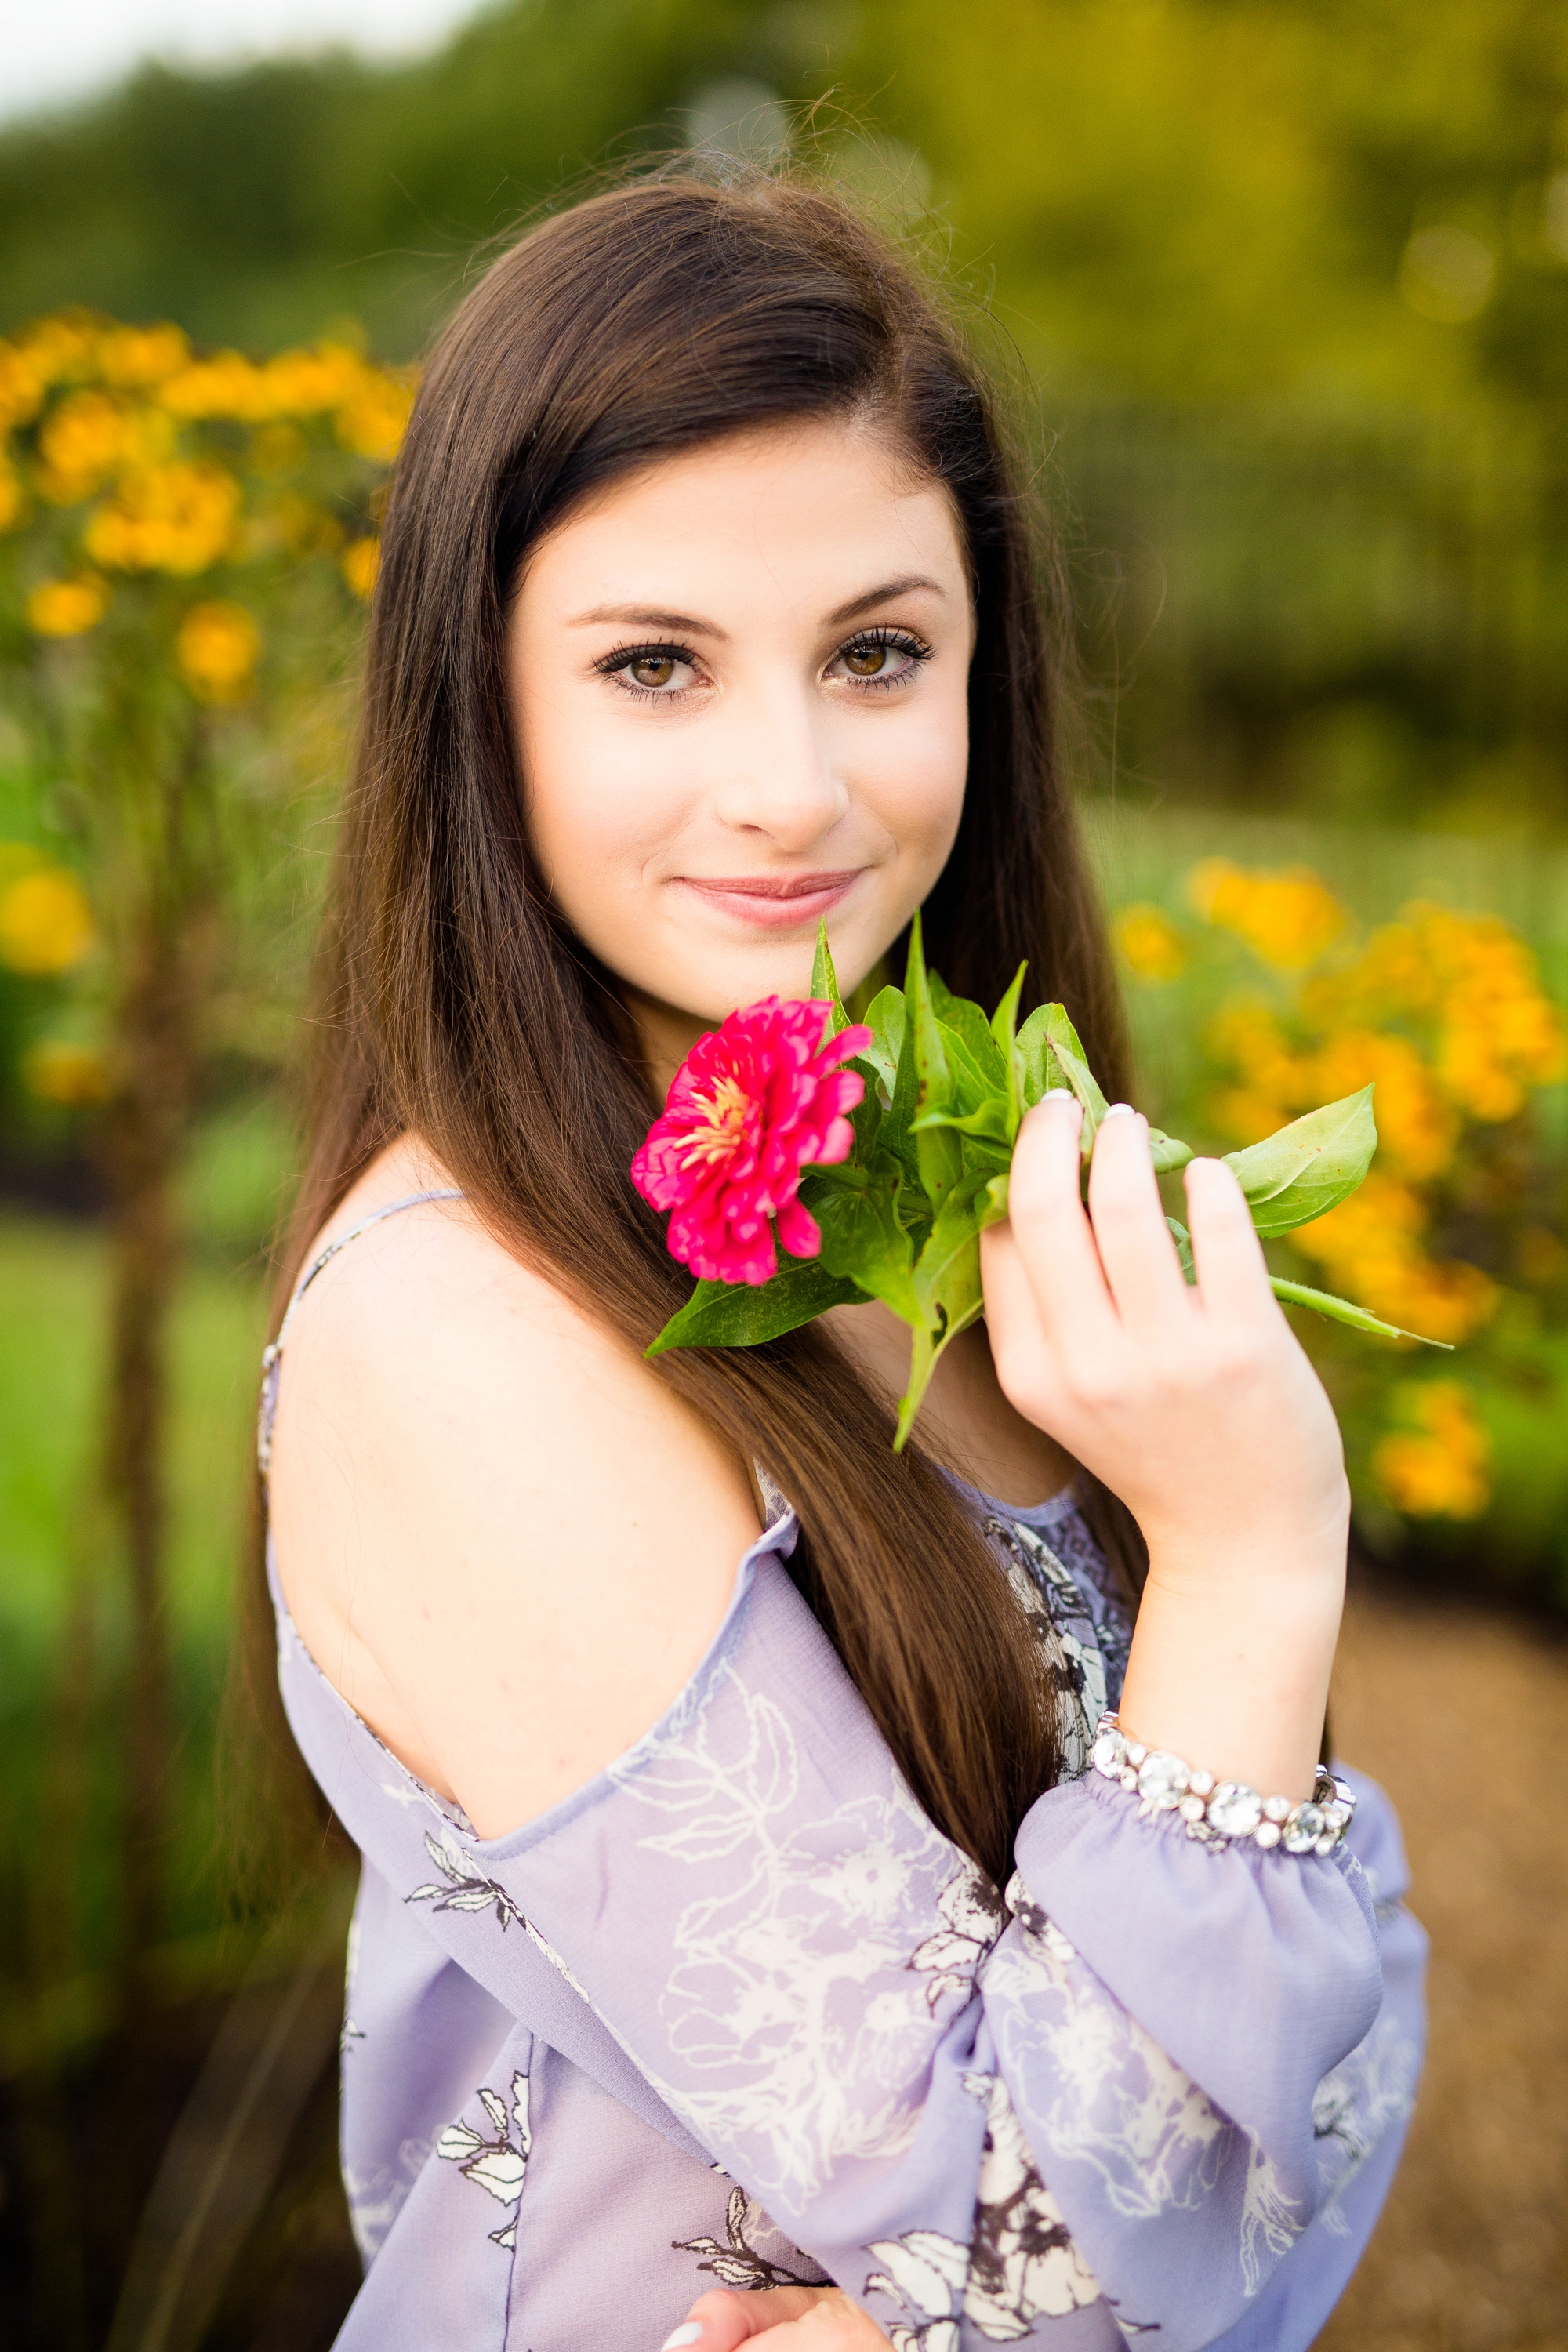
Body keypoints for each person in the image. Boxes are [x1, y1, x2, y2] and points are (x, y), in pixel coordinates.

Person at [256, 169, 1426, 2352]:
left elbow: (1323, 2100)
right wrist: (1258, 1562)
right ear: (476, 700)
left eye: (876, 653)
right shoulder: (464, 1333)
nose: (788, 787)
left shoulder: (948, 1189)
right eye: (652, 668)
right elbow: (1091, 2266)